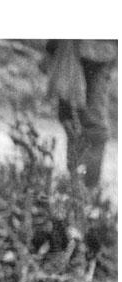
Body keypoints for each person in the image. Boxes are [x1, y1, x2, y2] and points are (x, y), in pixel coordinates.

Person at [44, 40, 117, 192]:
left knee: (91, 121)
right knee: (70, 117)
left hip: (97, 49)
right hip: (72, 47)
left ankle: (87, 190)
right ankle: (76, 188)